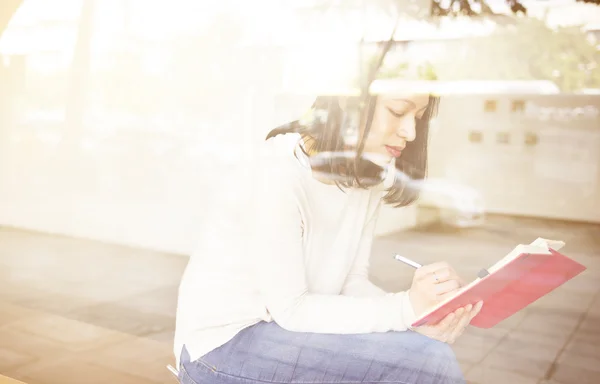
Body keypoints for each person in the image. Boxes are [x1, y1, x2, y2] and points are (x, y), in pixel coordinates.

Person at [174, 92, 483, 384]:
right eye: (398, 111)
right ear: (352, 104)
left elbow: (351, 282)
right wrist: (405, 309)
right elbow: (292, 309)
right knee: (428, 361)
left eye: (419, 116)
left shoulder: (371, 173)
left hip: (285, 329)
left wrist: (420, 316)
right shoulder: (277, 173)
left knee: (419, 349)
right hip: (220, 345)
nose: (410, 132)